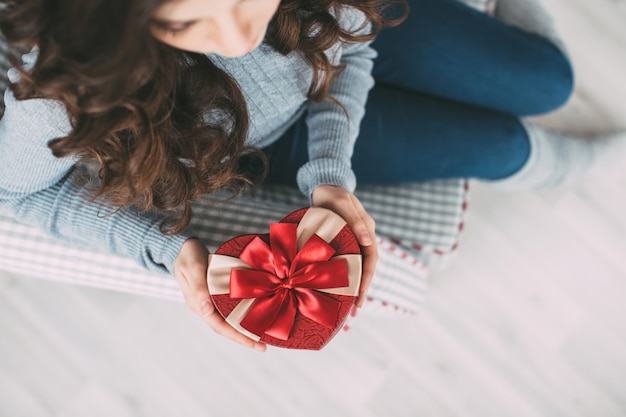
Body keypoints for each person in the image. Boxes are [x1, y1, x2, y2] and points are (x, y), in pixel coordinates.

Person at [0, 0, 623, 352]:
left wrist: (332, 169)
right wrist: (166, 248)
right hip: (265, 143)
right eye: (187, 23)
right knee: (504, 148)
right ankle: (584, 161)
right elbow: (18, 193)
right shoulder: (58, 87)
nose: (241, 39)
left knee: (549, 81)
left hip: (344, 37)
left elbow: (353, 42)